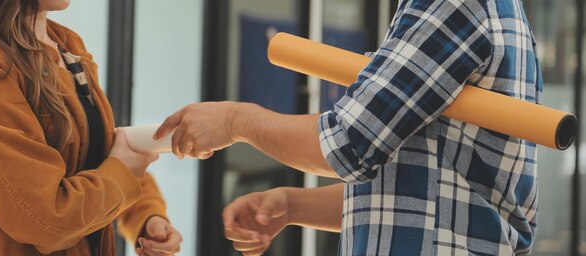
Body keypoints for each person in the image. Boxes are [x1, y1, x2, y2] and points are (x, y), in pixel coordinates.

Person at [155, 0, 540, 254]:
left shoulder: (449, 5)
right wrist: (292, 205)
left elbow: (349, 144)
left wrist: (235, 121)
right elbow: (420, 191)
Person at [0, 0, 181, 255]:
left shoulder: (67, 45)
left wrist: (147, 218)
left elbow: (99, 158)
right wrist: (124, 173)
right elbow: (45, 219)